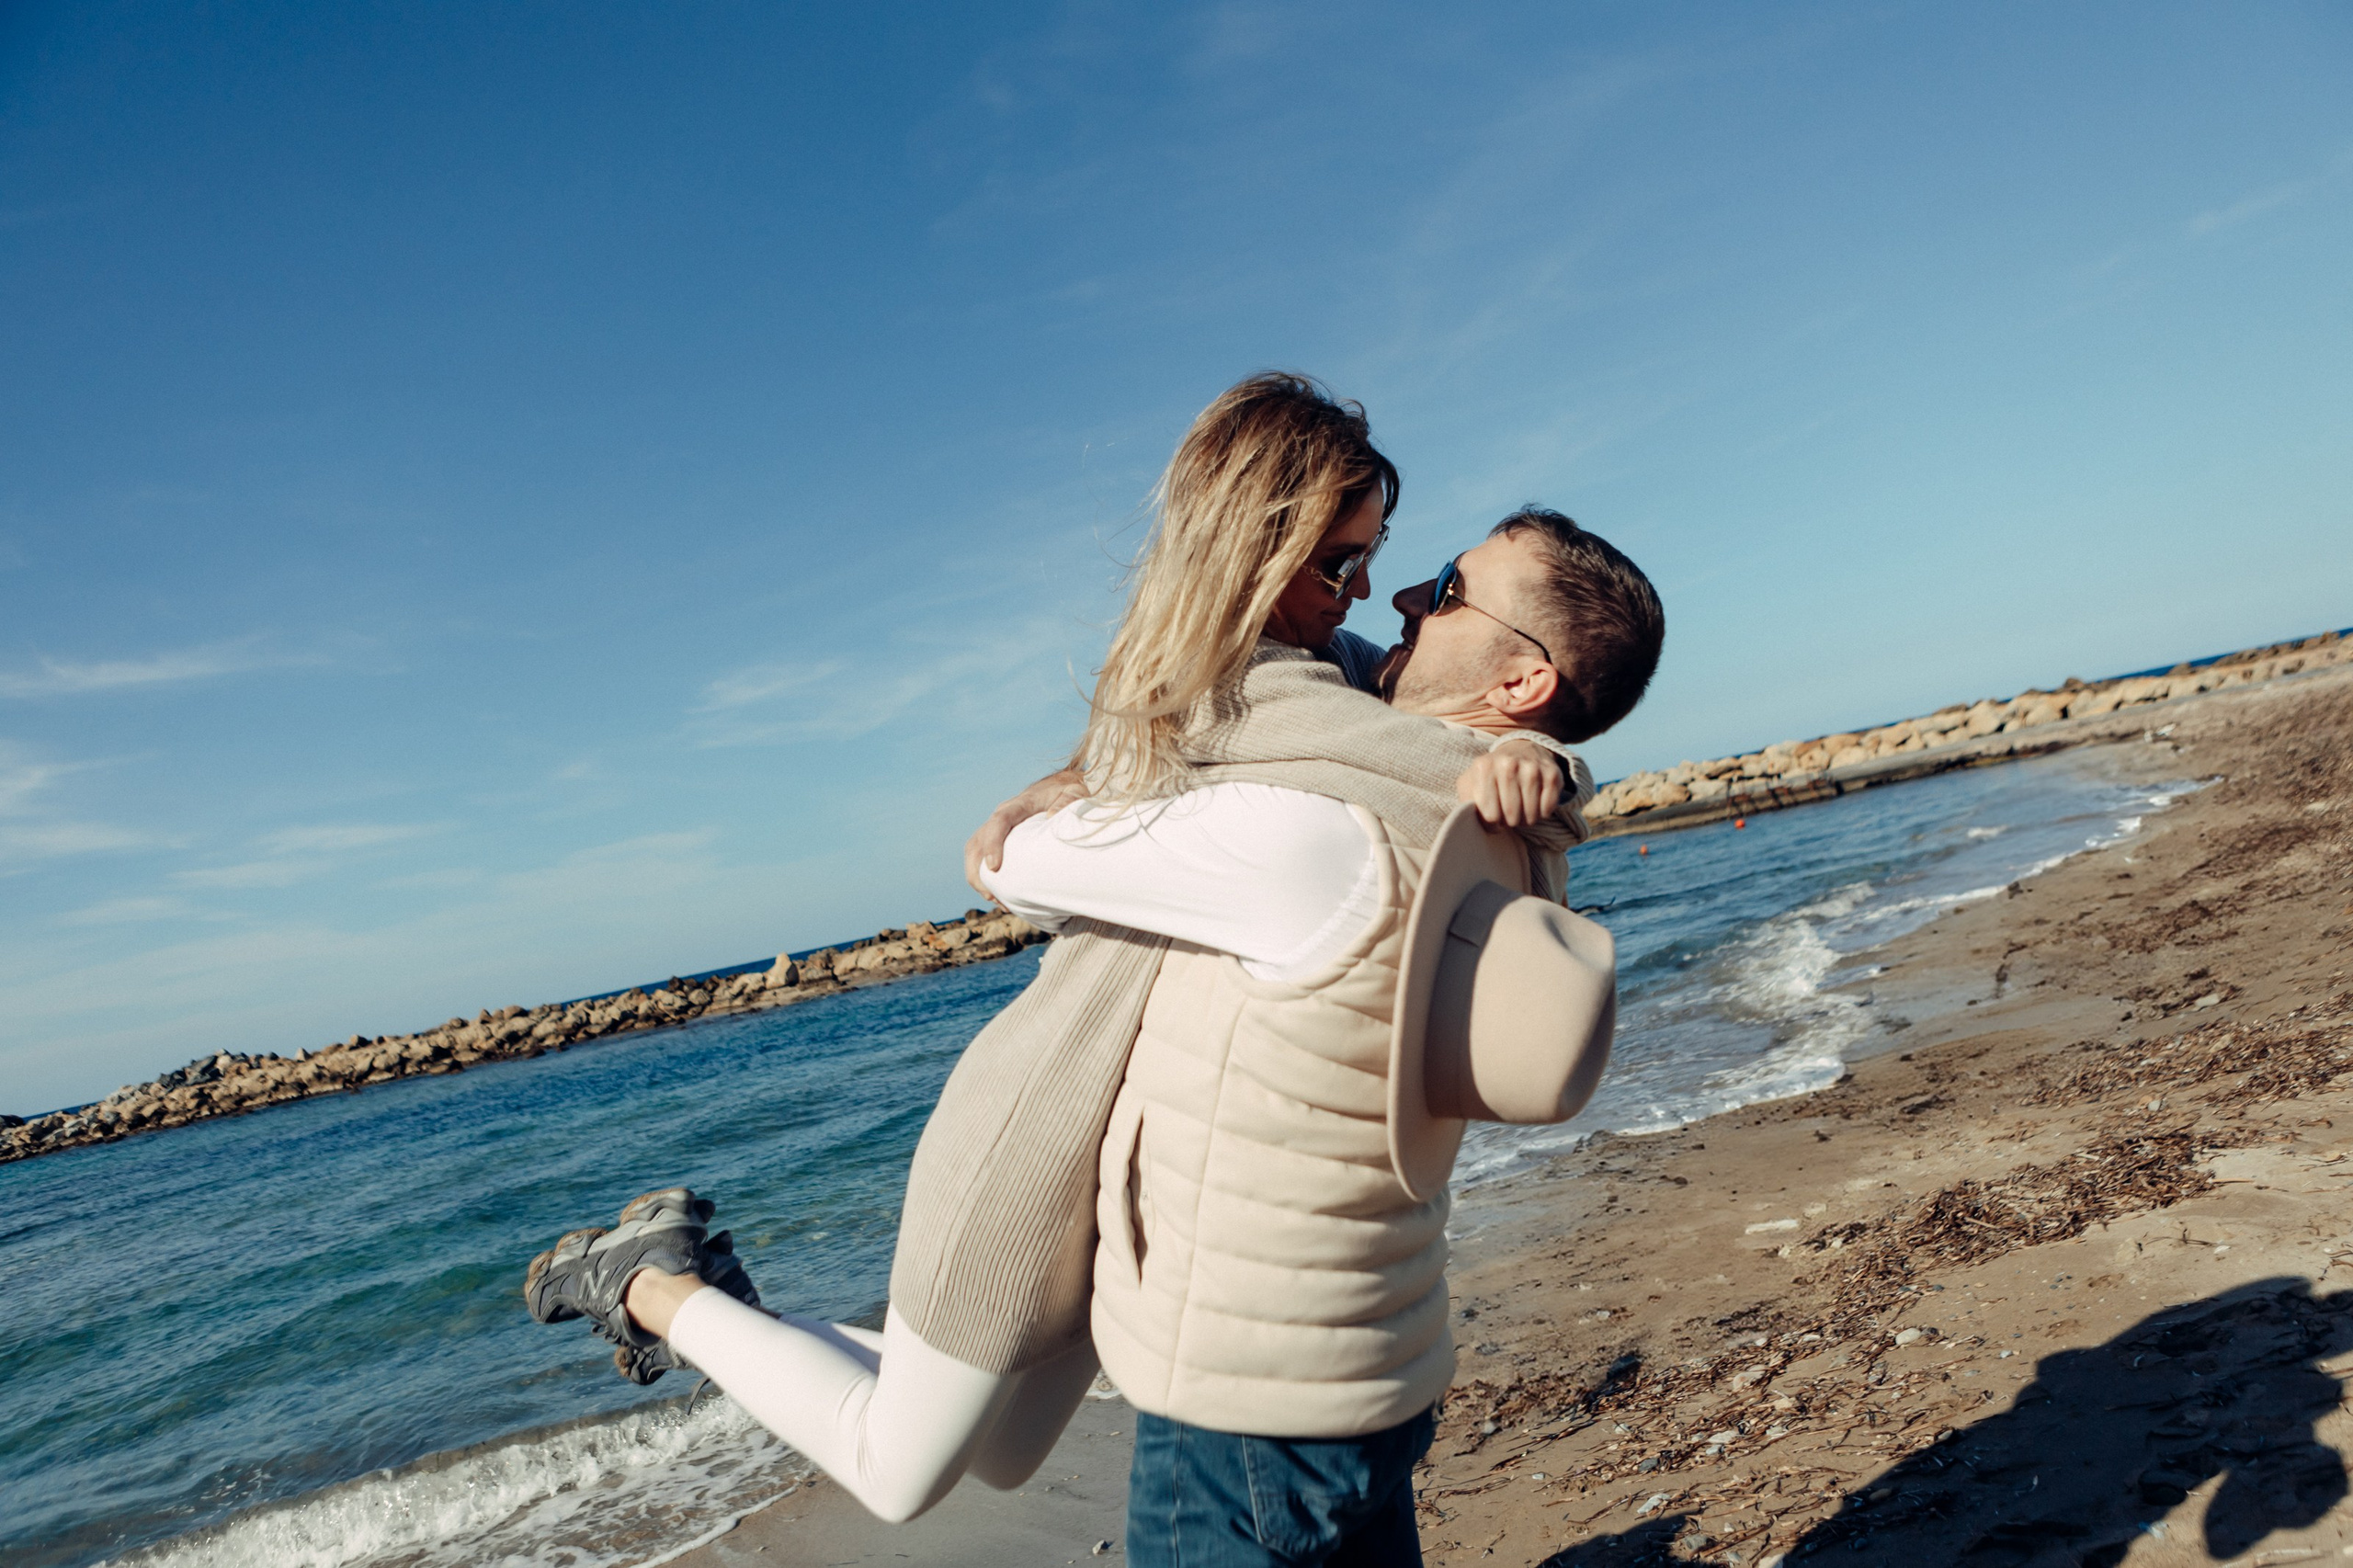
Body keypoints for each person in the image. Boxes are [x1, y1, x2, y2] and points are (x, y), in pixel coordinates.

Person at [519, 377, 1657, 1540]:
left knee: (997, 1453)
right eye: (1348, 563)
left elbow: (1017, 864)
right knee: (905, 1459)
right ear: (1255, 563)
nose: (1391, 594)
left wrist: (1085, 785)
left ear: (1521, 683)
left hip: (1160, 1201)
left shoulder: (1331, 785)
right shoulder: (1432, 799)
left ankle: (688, 1288)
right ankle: (659, 1286)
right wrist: (1549, 766)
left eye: (1433, 584)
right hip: (1140, 1202)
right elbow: (1066, 829)